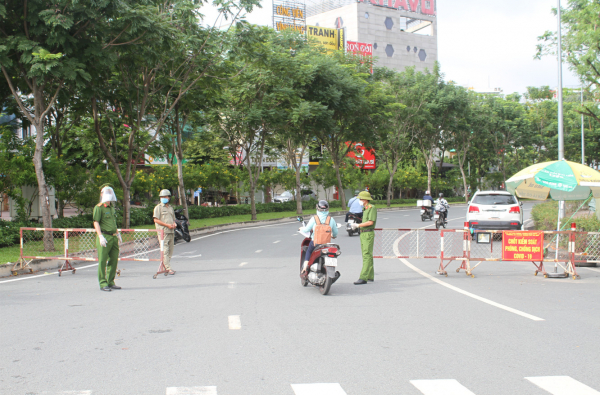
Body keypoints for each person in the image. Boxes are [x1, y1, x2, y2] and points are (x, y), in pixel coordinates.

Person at [93, 184, 122, 292]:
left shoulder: (112, 208)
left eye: (110, 192)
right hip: (105, 236)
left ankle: (111, 281)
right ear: (101, 194)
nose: (108, 194)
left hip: (113, 237)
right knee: (102, 261)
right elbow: (96, 222)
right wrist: (100, 236)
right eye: (106, 192)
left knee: (113, 260)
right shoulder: (99, 207)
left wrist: (118, 234)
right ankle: (103, 282)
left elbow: (113, 223)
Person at [299, 200, 339, 274]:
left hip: (315, 243)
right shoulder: (331, 219)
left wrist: (301, 229)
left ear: (317, 208)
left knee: (309, 251)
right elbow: (335, 233)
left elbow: (307, 229)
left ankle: (305, 268)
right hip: (326, 245)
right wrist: (333, 235)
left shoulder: (314, 218)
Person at [350, 191, 377, 284]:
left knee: (366, 255)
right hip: (363, 233)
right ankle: (370, 275)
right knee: (367, 255)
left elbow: (370, 222)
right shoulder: (365, 209)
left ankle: (363, 277)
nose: (360, 200)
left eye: (361, 199)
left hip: (368, 233)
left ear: (365, 199)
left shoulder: (371, 208)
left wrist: (358, 225)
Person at [153, 189, 177, 275]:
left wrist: (174, 224)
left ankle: (166, 266)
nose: (164, 198)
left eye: (165, 196)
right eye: (162, 197)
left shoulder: (170, 208)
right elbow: (156, 220)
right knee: (165, 250)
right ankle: (168, 268)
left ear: (169, 198)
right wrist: (166, 225)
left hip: (171, 231)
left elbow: (173, 219)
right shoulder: (158, 208)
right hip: (163, 232)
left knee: (170, 250)